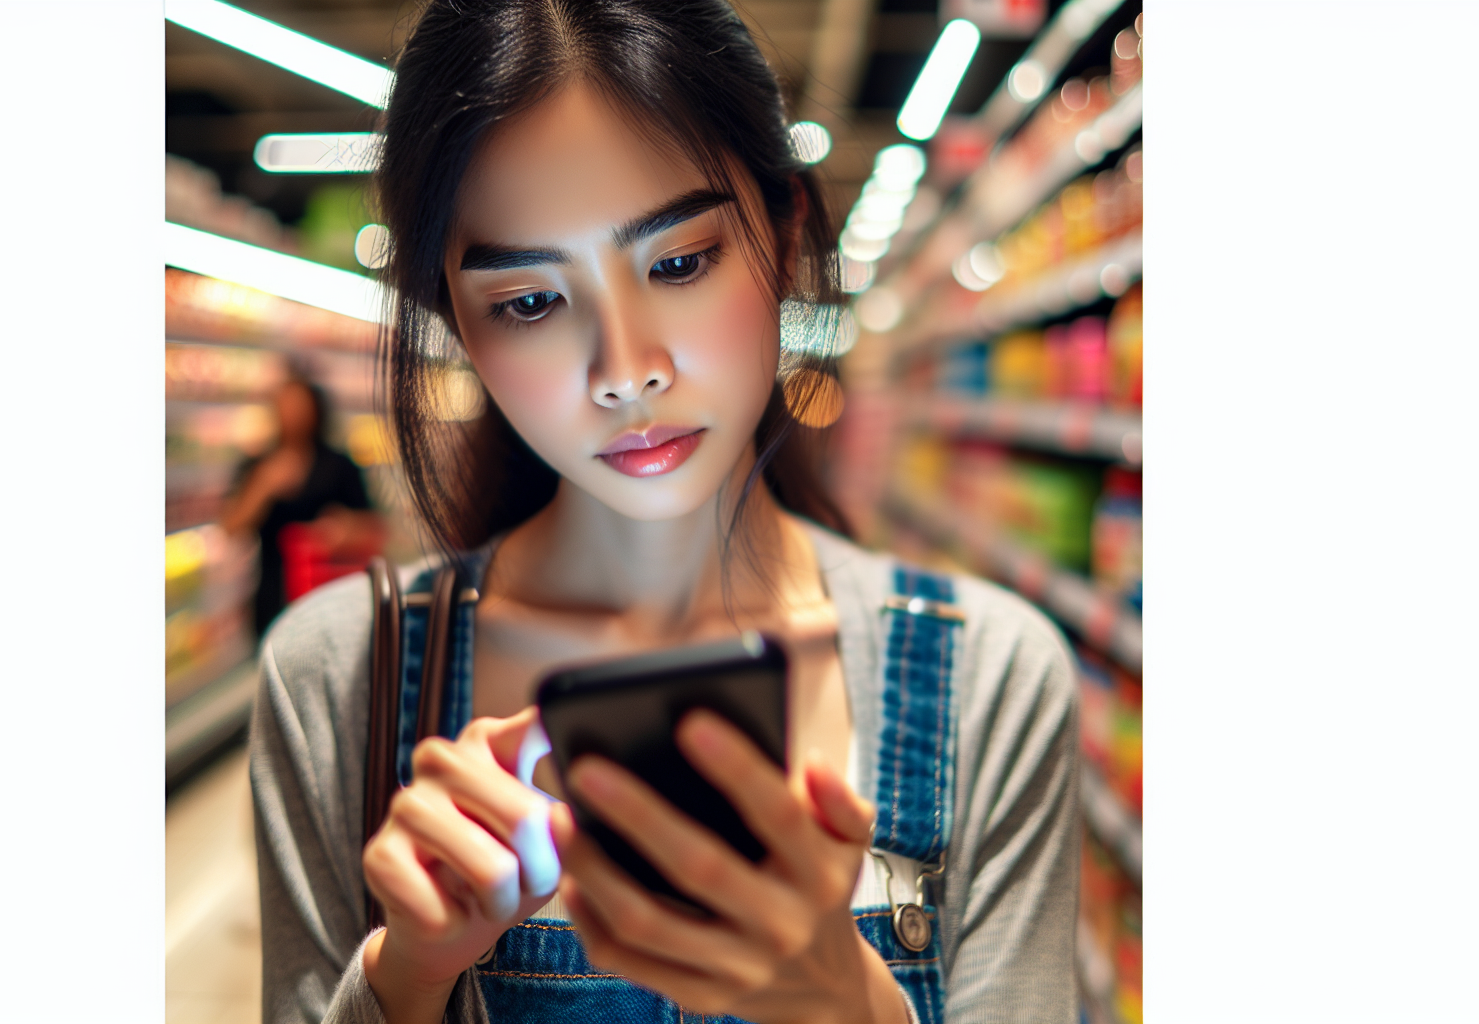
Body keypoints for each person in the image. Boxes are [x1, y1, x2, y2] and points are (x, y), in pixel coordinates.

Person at [249, 2, 1080, 1022]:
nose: (626, 370)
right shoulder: (340, 677)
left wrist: (842, 1003)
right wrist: (403, 978)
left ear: (782, 231)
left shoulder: (987, 678)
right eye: (529, 302)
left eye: (678, 263)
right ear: (455, 321)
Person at [220, 372, 376, 639]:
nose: (292, 414)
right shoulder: (259, 465)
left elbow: (374, 526)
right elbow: (230, 527)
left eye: (299, 405)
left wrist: (342, 528)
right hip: (273, 595)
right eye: (284, 404)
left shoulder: (339, 465)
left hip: (330, 593)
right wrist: (262, 488)